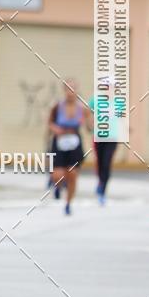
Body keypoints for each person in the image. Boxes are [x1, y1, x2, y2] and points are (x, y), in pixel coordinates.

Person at [49, 78, 91, 216]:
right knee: (57, 175)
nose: (70, 92)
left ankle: (68, 203)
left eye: (73, 89)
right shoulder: (57, 106)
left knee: (72, 174)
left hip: (74, 142)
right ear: (64, 91)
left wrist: (89, 121)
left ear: (77, 91)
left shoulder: (82, 108)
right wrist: (55, 129)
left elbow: (89, 127)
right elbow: (50, 122)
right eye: (68, 89)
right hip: (60, 141)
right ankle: (58, 186)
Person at [88, 81, 121, 205]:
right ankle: (100, 181)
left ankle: (102, 190)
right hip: (99, 135)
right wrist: (90, 122)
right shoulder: (96, 99)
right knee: (100, 162)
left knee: (107, 163)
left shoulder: (118, 102)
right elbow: (88, 112)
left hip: (112, 137)